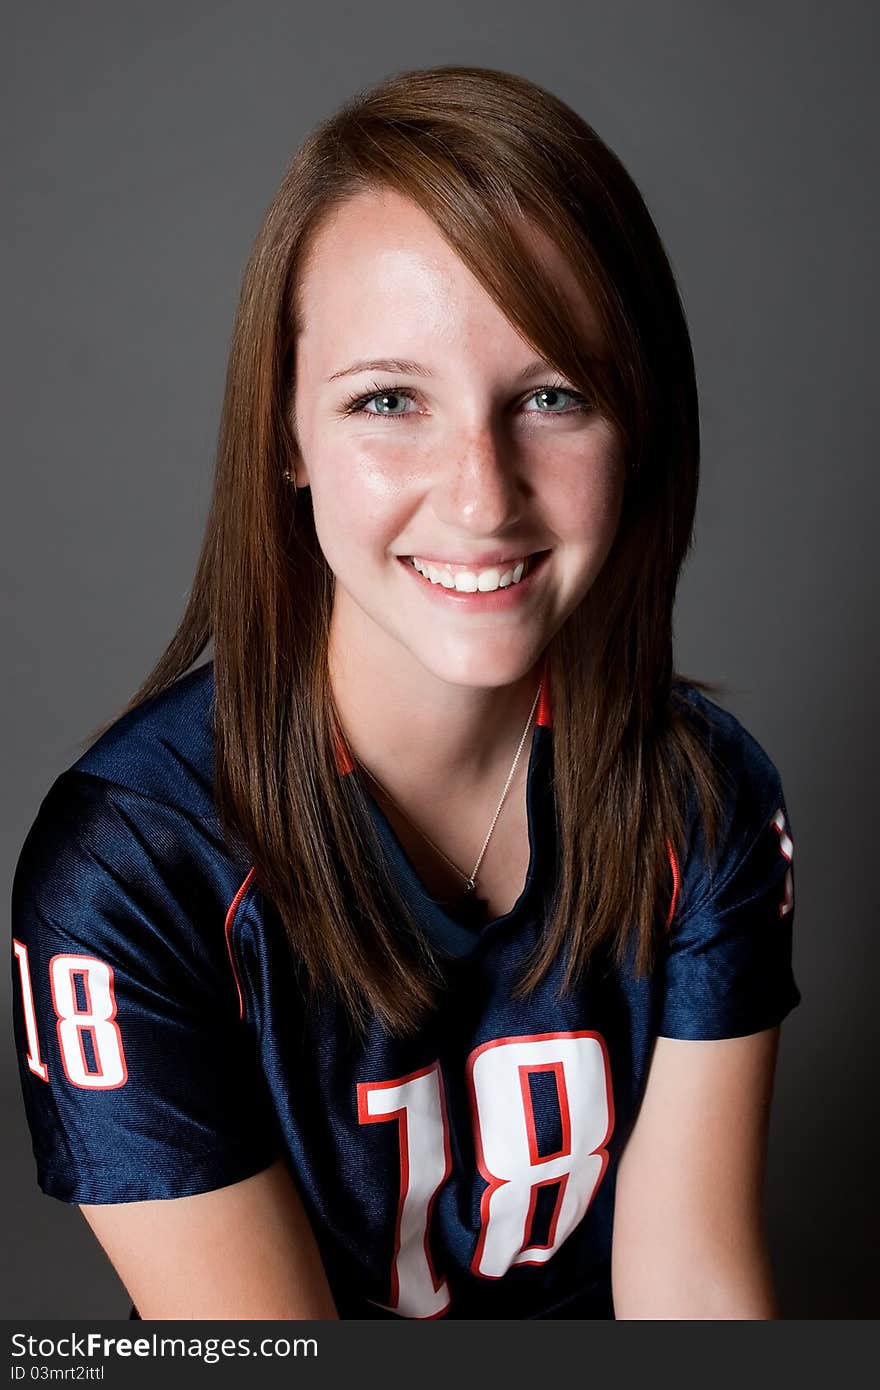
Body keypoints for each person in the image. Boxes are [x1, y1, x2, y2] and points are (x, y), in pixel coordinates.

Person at [10, 64, 800, 1321]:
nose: (482, 495)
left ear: (637, 421)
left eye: (550, 396)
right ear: (284, 430)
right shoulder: (131, 870)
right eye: (389, 399)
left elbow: (695, 1288)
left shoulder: (702, 801)